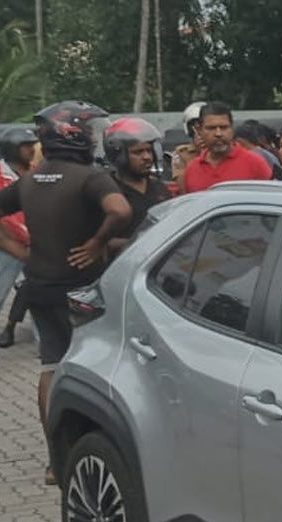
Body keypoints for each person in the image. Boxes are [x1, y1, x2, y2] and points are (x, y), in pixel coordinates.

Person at [0, 101, 132, 484]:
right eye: (90, 131)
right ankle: (95, 448)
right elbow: (121, 211)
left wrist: (20, 251)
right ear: (72, 133)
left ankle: (56, 463)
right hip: (81, 290)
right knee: (95, 368)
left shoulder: (31, 180)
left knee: (51, 368)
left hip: (40, 287)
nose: (94, 137)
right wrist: (97, 242)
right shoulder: (90, 177)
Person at [103, 117, 172, 255]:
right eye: (138, 152)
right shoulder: (107, 191)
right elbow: (98, 241)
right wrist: (141, 242)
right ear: (119, 156)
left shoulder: (160, 189)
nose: (147, 157)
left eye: (149, 151)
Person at [182, 102, 272, 193]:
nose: (218, 134)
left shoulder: (255, 164)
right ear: (199, 131)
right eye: (211, 128)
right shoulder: (192, 169)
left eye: (224, 127)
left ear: (232, 129)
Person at [0, 128, 36, 348]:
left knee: (37, 291)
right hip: (6, 246)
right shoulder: (1, 175)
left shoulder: (38, 173)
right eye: (26, 145)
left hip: (35, 245)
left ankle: (47, 345)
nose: (32, 150)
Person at [172, 101, 205, 184]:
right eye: (197, 127)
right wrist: (199, 152)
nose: (201, 132)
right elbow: (182, 184)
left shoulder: (222, 150)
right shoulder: (181, 153)